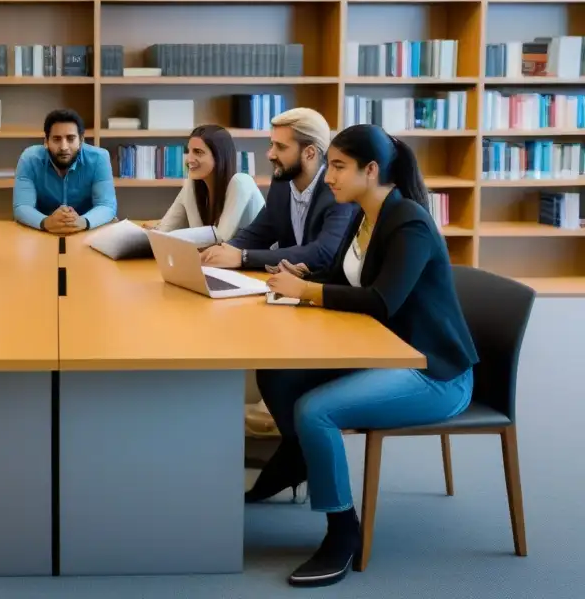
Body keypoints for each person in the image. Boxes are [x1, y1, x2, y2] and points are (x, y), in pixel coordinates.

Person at [249, 123, 478, 588]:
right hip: (383, 353)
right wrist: (305, 272)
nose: (328, 176)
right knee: (276, 372)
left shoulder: (408, 221)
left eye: (338, 166)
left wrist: (309, 290)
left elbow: (381, 300)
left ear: (371, 170)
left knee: (315, 410)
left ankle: (341, 532)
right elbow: (341, 275)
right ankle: (301, 457)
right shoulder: (361, 212)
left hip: (433, 372)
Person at [200, 107, 354, 275]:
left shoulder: (337, 190)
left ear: (309, 153)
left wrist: (243, 257)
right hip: (287, 286)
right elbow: (259, 232)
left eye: (281, 147)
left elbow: (323, 253)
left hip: (324, 292)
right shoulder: (282, 182)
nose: (270, 154)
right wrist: (221, 251)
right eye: (271, 145)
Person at [153, 124, 265, 243]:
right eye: (188, 151)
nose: (189, 159)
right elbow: (164, 231)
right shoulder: (192, 185)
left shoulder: (241, 182)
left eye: (198, 152)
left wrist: (170, 237)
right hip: (215, 260)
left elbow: (219, 238)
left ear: (219, 156)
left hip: (260, 261)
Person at [13, 108, 117, 234]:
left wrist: (83, 222)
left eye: (70, 138)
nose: (64, 147)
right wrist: (46, 222)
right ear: (46, 141)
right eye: (57, 139)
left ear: (81, 140)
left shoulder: (99, 158)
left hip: (87, 232)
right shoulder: (30, 159)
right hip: (43, 232)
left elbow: (107, 205)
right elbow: (22, 206)